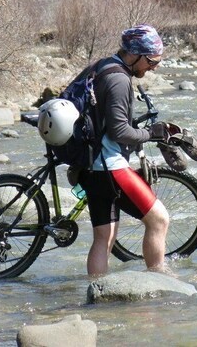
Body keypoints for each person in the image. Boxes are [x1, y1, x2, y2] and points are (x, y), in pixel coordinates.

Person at [78, 23, 171, 276]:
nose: (154, 67)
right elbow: (119, 132)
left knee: (103, 238)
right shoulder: (119, 80)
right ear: (136, 54)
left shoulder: (100, 66)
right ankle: (158, 278)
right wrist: (150, 134)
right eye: (151, 61)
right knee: (159, 220)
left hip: (89, 166)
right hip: (110, 167)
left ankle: (95, 290)